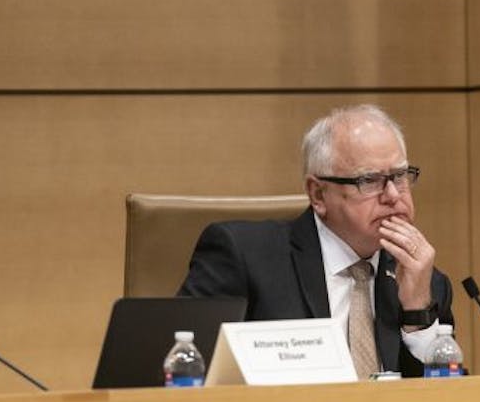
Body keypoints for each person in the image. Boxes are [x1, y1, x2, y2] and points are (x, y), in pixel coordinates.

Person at [178, 104, 454, 378]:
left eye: (400, 176)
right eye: (369, 180)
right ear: (319, 194)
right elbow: (184, 370)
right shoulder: (245, 257)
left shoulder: (424, 282)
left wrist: (417, 312)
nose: (393, 195)